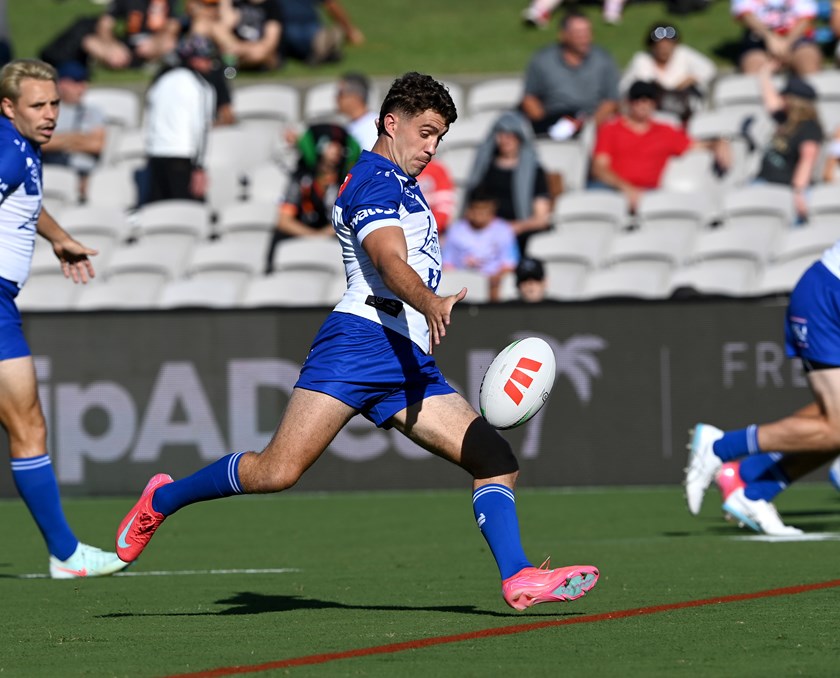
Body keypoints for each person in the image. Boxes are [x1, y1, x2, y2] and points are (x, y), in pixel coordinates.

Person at [114, 71, 600, 611]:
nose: (432, 147)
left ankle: (518, 577)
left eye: (439, 136)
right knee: (276, 472)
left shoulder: (401, 183)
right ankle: (162, 498)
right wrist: (429, 301)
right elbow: (388, 259)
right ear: (392, 123)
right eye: (425, 132)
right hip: (360, 342)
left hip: (406, 358)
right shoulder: (374, 180)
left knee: (494, 458)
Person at [0, 59, 127, 578]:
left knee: (27, 424)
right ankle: (66, 554)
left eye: (55, 103)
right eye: (38, 105)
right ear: (8, 107)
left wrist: (58, 238)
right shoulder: (7, 152)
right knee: (28, 425)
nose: (51, 114)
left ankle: (65, 553)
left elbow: (23, 202)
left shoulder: (21, 147)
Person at [685, 238, 840, 535]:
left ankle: (753, 492)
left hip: (827, 292)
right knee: (836, 427)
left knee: (834, 421)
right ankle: (719, 446)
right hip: (829, 295)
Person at [591, 80, 728, 213]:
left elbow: (696, 144)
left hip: (649, 193)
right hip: (613, 189)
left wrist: (718, 143)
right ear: (629, 102)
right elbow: (599, 168)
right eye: (637, 99)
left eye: (648, 99)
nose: (643, 104)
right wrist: (626, 189)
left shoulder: (665, 131)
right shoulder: (610, 129)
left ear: (654, 103)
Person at [265, 122, 360, 272]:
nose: (337, 150)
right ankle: (270, 272)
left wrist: (324, 234)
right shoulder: (301, 178)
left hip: (334, 234)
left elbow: (349, 218)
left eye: (339, 145)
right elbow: (284, 221)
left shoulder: (347, 180)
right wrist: (313, 236)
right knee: (278, 235)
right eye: (331, 144)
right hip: (305, 231)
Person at [465, 110, 553, 255]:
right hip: (485, 232)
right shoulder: (485, 169)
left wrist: (513, 227)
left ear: (520, 137)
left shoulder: (534, 171)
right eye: (501, 134)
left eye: (511, 134)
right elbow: (472, 206)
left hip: (520, 235)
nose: (506, 140)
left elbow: (541, 218)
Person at [520, 12, 620, 138]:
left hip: (593, 124)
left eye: (587, 32)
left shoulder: (604, 59)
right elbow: (529, 98)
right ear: (563, 35)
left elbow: (612, 100)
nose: (585, 37)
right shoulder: (542, 60)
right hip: (553, 120)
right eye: (578, 33)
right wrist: (544, 126)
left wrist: (589, 127)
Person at [143, 35, 217, 204]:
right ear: (195, 59)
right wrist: (199, 167)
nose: (211, 63)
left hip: (155, 154)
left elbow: (147, 120)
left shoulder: (161, 81)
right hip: (182, 157)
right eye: (207, 58)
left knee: (157, 211)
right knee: (186, 212)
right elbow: (201, 128)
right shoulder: (201, 86)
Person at [753, 64, 822, 223]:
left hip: (785, 188)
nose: (780, 98)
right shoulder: (785, 119)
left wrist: (798, 193)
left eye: (784, 96)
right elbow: (770, 100)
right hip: (764, 182)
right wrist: (765, 73)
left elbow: (808, 158)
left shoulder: (809, 127)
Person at [620, 22, 717, 124]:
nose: (664, 50)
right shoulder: (642, 60)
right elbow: (624, 87)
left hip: (686, 113)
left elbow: (709, 68)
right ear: (652, 46)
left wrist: (690, 79)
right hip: (654, 116)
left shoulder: (683, 54)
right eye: (660, 47)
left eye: (668, 46)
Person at [41, 61, 107, 203]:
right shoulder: (45, 111)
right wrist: (78, 138)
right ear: (61, 84)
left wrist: (58, 140)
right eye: (77, 82)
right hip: (53, 174)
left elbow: (97, 145)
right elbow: (38, 143)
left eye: (84, 82)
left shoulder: (94, 112)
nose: (83, 87)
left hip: (86, 175)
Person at [442, 187, 520, 303]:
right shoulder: (456, 230)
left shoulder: (504, 230)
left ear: (492, 210)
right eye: (476, 209)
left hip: (492, 285)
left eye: (484, 210)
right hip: (462, 283)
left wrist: (494, 279)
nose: (480, 214)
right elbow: (447, 264)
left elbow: (509, 265)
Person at [82, 0, 182, 70]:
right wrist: (111, 44)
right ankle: (115, 60)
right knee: (90, 42)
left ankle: (153, 62)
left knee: (169, 43)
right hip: (128, 45)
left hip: (154, 43)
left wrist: (155, 40)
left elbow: (173, 25)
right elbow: (105, 24)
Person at [732, 0, 823, 76]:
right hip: (759, 39)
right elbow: (746, 15)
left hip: (797, 38)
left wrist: (786, 42)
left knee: (808, 62)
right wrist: (769, 38)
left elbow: (806, 18)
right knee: (753, 69)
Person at [277, 0, 365, 66]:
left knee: (278, 35)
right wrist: (350, 31)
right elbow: (332, 6)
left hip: (282, 31)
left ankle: (317, 48)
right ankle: (321, 48)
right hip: (309, 28)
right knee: (322, 35)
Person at [212, 0, 282, 72]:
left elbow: (270, 42)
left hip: (256, 49)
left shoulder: (272, 6)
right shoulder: (238, 3)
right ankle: (232, 61)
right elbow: (223, 26)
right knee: (214, 28)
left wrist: (241, 48)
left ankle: (230, 62)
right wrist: (226, 3)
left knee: (260, 53)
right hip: (235, 46)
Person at [336, 71, 379, 151]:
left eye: (340, 93)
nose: (336, 97)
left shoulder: (375, 126)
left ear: (355, 96)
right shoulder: (348, 127)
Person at [417, 158, 456, 235]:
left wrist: (430, 230)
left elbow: (445, 206)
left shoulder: (437, 169)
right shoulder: (393, 168)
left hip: (428, 233)